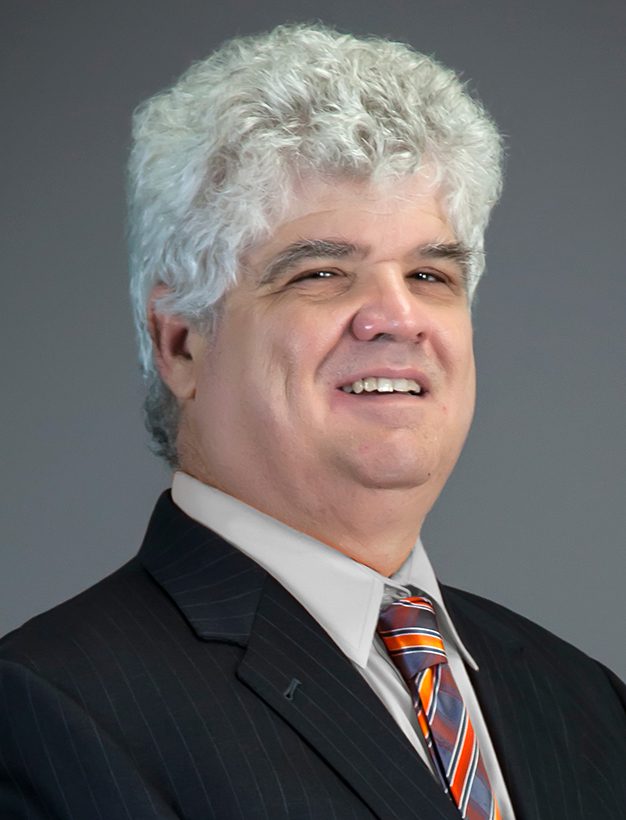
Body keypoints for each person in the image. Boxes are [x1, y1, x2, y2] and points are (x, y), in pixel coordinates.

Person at [1, 23, 624, 820]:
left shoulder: (585, 700)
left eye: (431, 272)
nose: (400, 316)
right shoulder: (49, 713)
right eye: (322, 272)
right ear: (182, 343)